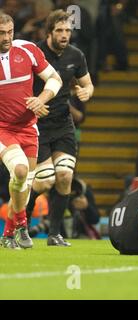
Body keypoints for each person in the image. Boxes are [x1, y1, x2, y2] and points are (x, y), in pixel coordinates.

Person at [25, 10, 94, 247]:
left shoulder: (76, 55)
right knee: (44, 181)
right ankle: (21, 225)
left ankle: (55, 234)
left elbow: (87, 84)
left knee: (65, 176)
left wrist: (86, 92)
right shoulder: (33, 53)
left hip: (63, 123)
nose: (65, 35)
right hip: (36, 125)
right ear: (49, 32)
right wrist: (32, 106)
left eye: (68, 30)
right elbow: (17, 85)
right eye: (59, 31)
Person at [0, 13, 63, 249]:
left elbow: (54, 79)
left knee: (24, 184)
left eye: (10, 32)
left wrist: (41, 99)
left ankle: (7, 236)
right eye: (1, 33)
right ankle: (22, 227)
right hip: (2, 129)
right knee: (19, 170)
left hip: (28, 128)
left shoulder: (27, 49)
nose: (7, 38)